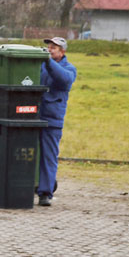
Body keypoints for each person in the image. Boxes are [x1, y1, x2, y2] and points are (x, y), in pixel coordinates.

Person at [37, 37, 77, 207]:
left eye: (54, 47)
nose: (50, 49)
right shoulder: (42, 66)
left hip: (52, 120)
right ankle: (33, 184)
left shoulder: (69, 69)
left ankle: (45, 192)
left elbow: (63, 80)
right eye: (49, 46)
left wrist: (47, 62)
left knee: (48, 156)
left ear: (63, 52)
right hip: (33, 116)